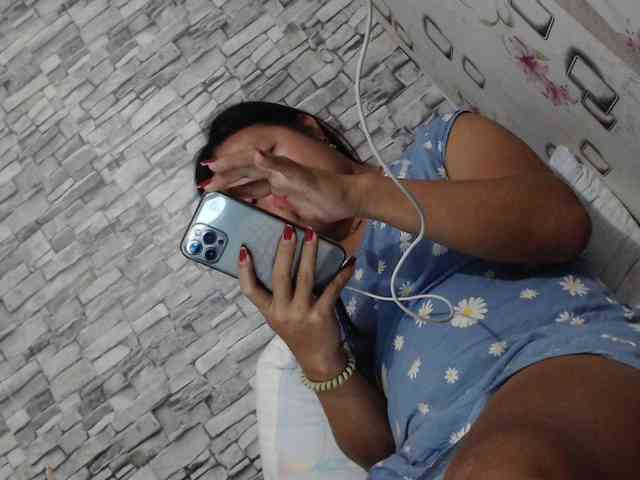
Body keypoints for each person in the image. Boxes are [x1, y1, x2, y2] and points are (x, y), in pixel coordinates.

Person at [194, 101, 640, 479]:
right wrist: (317, 358)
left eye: (269, 158)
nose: (276, 185)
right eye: (251, 198)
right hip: (425, 457)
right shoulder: (324, 296)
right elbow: (376, 451)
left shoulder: (438, 148)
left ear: (313, 131)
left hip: (548, 360)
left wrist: (357, 194)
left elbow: (560, 224)